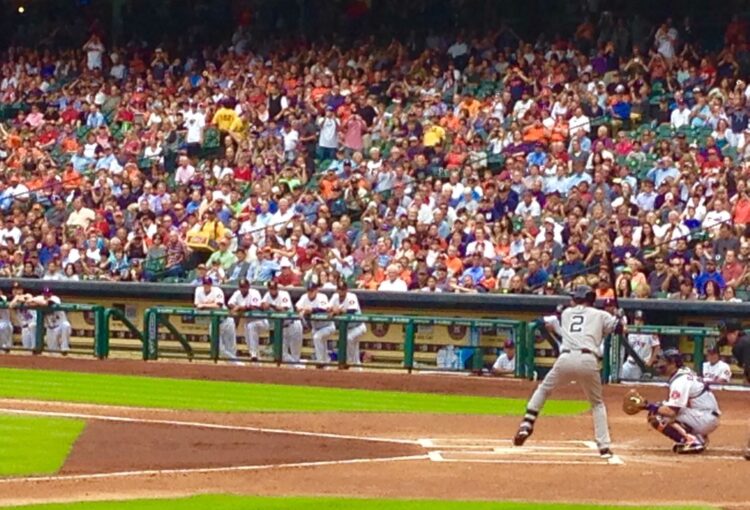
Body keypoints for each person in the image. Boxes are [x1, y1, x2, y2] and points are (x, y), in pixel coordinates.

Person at [513, 285, 620, 459]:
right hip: (588, 360)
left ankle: (527, 422)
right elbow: (619, 330)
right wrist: (619, 317)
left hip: (565, 358)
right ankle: (604, 447)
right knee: (597, 404)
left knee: (544, 389)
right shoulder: (601, 315)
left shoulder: (566, 313)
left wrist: (615, 320)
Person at [645, 349, 721, 454]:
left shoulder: (680, 381)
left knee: (657, 415)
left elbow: (671, 412)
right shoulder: (684, 373)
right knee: (662, 407)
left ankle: (691, 441)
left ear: (673, 363)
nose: (660, 364)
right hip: (705, 415)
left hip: (704, 418)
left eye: (663, 361)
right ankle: (698, 438)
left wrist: (647, 406)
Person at [717, 319, 750, 460]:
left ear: (736, 333)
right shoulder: (743, 342)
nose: (726, 337)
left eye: (728, 334)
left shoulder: (742, 345)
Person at [193, 276, 238, 362]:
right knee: (218, 348)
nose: (206, 286)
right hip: (213, 322)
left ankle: (234, 366)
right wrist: (210, 304)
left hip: (226, 321)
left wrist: (204, 305)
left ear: (211, 284)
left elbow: (218, 305)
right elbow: (197, 305)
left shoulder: (217, 290)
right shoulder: (198, 290)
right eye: (205, 284)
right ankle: (238, 363)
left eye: (208, 284)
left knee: (231, 348)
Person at [261, 280, 302, 364]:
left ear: (277, 288)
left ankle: (297, 366)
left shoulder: (284, 294)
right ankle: (298, 365)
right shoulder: (267, 295)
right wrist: (263, 305)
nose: (273, 290)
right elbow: (262, 304)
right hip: (281, 328)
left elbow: (284, 310)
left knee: (295, 354)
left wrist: (271, 305)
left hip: (293, 325)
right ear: (268, 289)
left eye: (275, 288)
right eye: (271, 288)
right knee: (282, 354)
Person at [328, 280, 366, 367]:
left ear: (346, 290)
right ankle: (356, 367)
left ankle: (348, 362)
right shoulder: (335, 296)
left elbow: (352, 310)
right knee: (354, 347)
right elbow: (328, 308)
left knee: (349, 339)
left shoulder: (352, 296)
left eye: (343, 289)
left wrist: (339, 311)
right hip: (347, 328)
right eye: (339, 289)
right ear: (337, 290)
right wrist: (333, 310)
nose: (341, 291)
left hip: (358, 327)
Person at [296, 281, 335, 366]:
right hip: (315, 327)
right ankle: (326, 362)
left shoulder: (322, 297)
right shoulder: (304, 297)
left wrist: (311, 310)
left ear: (316, 290)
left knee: (317, 337)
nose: (310, 292)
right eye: (309, 290)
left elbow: (324, 309)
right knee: (321, 343)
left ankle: (320, 362)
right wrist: (302, 310)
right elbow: (298, 306)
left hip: (327, 326)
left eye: (312, 290)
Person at [227, 278, 265, 361]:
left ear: (248, 286)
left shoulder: (254, 292)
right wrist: (236, 307)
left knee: (251, 326)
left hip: (260, 320)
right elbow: (230, 303)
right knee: (248, 337)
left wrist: (240, 307)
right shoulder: (237, 293)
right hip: (248, 321)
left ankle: (254, 354)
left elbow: (254, 306)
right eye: (241, 287)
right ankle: (255, 356)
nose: (243, 289)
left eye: (244, 287)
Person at [29, 287, 71, 354]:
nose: (46, 296)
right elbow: (29, 302)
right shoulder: (40, 298)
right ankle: (35, 347)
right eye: (45, 294)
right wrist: (36, 302)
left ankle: (64, 348)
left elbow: (47, 303)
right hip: (50, 329)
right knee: (53, 352)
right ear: (43, 294)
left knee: (66, 325)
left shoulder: (55, 298)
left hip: (60, 326)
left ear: (51, 294)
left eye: (48, 294)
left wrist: (37, 303)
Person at [620, 310, 661, 380]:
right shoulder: (631, 332)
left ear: (643, 321)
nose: (638, 322)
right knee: (618, 378)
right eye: (637, 319)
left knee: (634, 384)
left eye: (640, 320)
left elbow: (657, 347)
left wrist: (651, 361)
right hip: (629, 363)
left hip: (640, 365)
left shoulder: (649, 331)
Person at [9, 283, 36, 351]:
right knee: (27, 350)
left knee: (35, 349)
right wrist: (16, 298)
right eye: (14, 289)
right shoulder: (14, 300)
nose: (16, 291)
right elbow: (11, 305)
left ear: (22, 290)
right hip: (24, 328)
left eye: (18, 289)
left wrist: (18, 298)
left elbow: (29, 299)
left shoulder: (28, 295)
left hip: (33, 326)